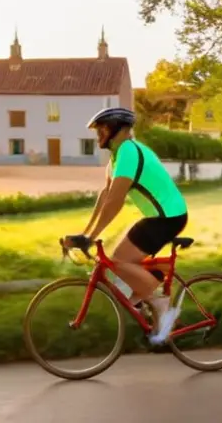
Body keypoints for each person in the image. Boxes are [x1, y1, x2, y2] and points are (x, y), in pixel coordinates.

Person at [63, 107, 189, 344]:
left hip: (167, 217)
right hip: (159, 217)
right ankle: (153, 287)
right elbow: (105, 196)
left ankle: (159, 303)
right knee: (122, 263)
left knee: (118, 261)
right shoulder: (117, 157)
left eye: (102, 129)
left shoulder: (129, 152)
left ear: (117, 129)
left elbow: (116, 200)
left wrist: (92, 237)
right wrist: (86, 233)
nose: (98, 134)